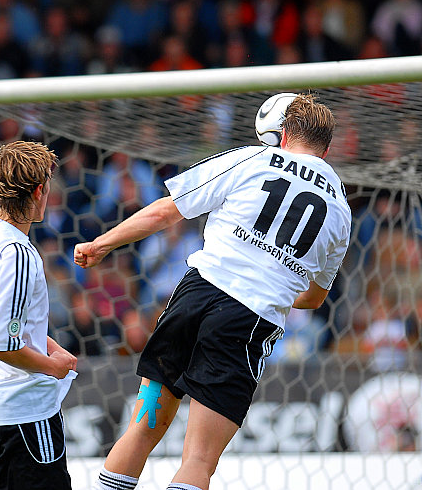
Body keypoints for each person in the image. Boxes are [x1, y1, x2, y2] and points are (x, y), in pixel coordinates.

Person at [74, 94, 351, 490]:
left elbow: (166, 210)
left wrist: (101, 244)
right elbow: (314, 297)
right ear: (326, 148)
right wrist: (272, 281)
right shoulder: (340, 208)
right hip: (247, 321)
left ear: (283, 133)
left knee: (142, 430)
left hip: (194, 296)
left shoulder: (252, 158)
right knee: (199, 459)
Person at [0, 141, 78, 490]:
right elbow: (3, 346)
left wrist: (48, 345)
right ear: (40, 191)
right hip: (22, 414)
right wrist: (54, 367)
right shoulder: (18, 252)